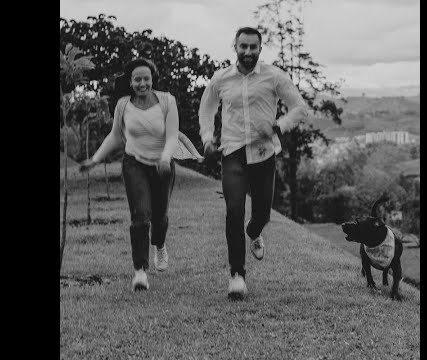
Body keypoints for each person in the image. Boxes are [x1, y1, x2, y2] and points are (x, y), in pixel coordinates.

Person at [198, 27, 309, 299]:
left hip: (263, 153)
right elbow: (207, 109)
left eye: (253, 47)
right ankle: (237, 275)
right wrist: (207, 137)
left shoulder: (273, 76)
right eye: (243, 46)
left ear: (260, 48)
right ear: (234, 46)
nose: (248, 52)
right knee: (234, 211)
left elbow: (299, 107)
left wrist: (278, 126)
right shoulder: (221, 79)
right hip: (232, 151)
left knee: (261, 214)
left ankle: (255, 232)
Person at [80, 58, 203, 291]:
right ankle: (140, 271)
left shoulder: (167, 101)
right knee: (140, 216)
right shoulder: (123, 105)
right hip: (134, 163)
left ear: (152, 79)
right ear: (130, 81)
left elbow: (171, 135)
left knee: (160, 218)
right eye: (137, 79)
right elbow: (115, 137)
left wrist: (166, 158)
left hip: (162, 165)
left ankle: (160, 244)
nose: (142, 83)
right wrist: (95, 159)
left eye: (146, 78)